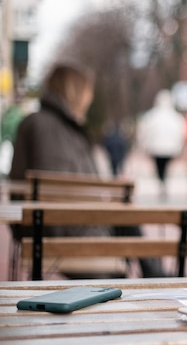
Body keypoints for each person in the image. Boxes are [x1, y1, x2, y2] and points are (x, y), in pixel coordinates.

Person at [10, 62, 168, 278]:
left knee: (121, 212)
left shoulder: (30, 124)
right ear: (76, 92)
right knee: (124, 209)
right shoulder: (75, 133)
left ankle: (151, 275)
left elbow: (17, 184)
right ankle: (156, 275)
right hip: (74, 230)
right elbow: (82, 189)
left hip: (38, 230)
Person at [136, 89, 187, 199]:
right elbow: (182, 133)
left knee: (159, 167)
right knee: (165, 167)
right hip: (170, 148)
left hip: (155, 148)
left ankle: (162, 182)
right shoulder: (176, 117)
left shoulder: (150, 116)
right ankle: (163, 182)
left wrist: (144, 146)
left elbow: (142, 132)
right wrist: (179, 146)